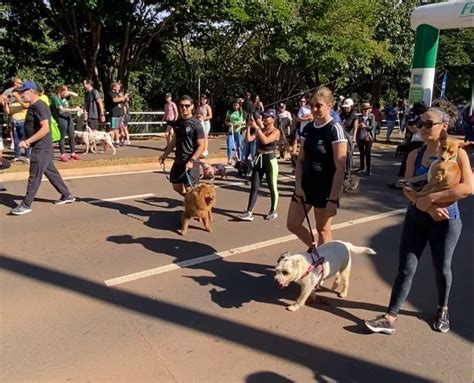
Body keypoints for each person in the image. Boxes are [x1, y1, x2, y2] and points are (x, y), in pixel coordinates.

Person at [364, 106, 473, 335]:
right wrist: (421, 204)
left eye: (428, 123)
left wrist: (431, 200)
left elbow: (467, 188)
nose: (422, 128)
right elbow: (406, 185)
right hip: (416, 217)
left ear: (444, 126)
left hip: (446, 220)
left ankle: (442, 308)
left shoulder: (457, 153)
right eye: (420, 123)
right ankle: (390, 316)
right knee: (405, 268)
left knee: (441, 267)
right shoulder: (415, 154)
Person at [287, 86, 347, 247]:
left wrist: (333, 199)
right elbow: (300, 161)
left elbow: (340, 167)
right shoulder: (308, 128)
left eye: (318, 105)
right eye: (312, 105)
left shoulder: (335, 129)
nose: (313, 109)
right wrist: (298, 186)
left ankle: (327, 265)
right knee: (292, 223)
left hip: (325, 189)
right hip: (306, 186)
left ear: (329, 105)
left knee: (322, 230)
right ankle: (316, 252)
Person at [10, 80, 75, 215]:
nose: (21, 94)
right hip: (43, 146)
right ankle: (67, 195)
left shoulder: (39, 106)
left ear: (31, 91)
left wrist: (28, 142)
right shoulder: (35, 105)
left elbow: (45, 128)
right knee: (51, 172)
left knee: (34, 176)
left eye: (23, 92)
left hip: (41, 147)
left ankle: (26, 204)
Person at [237, 109, 280, 221]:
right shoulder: (261, 129)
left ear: (273, 119)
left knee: (272, 186)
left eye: (267, 117)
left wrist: (256, 128)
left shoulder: (276, 131)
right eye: (264, 117)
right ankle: (249, 211)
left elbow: (266, 141)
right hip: (259, 159)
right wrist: (248, 127)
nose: (264, 119)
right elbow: (249, 139)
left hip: (270, 160)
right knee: (254, 186)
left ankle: (273, 210)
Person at [159, 95, 205, 196]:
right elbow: (174, 141)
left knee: (190, 189)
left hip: (191, 161)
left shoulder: (196, 124)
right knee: (176, 186)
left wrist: (192, 161)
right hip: (179, 160)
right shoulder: (178, 123)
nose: (184, 108)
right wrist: (164, 155)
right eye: (181, 106)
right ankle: (192, 201)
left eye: (187, 106)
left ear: (192, 107)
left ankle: (196, 207)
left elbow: (201, 146)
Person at [51, 84, 81, 161]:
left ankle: (73, 153)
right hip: (61, 118)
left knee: (71, 135)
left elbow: (76, 95)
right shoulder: (55, 98)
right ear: (60, 91)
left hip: (68, 117)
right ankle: (63, 154)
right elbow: (61, 109)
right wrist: (74, 110)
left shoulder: (65, 97)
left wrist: (69, 92)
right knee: (62, 136)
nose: (65, 95)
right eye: (64, 92)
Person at [3, 88, 30, 163]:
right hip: (14, 123)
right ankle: (17, 156)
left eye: (15, 94)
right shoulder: (12, 101)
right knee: (16, 140)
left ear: (19, 94)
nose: (13, 96)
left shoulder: (24, 99)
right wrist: (6, 104)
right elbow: (8, 112)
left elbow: (26, 106)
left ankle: (27, 157)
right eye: (13, 94)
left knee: (26, 140)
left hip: (23, 122)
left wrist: (18, 98)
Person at [353, 102, 376, 175]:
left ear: (369, 110)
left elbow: (372, 127)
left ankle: (368, 169)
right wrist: (359, 126)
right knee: (361, 153)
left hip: (368, 137)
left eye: (367, 109)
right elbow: (355, 127)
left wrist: (365, 126)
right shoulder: (359, 117)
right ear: (362, 110)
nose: (366, 111)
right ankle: (362, 167)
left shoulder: (372, 117)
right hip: (360, 137)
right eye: (364, 109)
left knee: (368, 153)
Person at [225, 100, 245, 165]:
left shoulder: (241, 112)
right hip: (231, 131)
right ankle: (229, 160)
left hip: (239, 131)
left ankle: (240, 159)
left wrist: (241, 124)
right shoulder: (229, 112)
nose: (235, 106)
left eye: (237, 105)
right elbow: (226, 121)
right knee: (229, 146)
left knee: (239, 146)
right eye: (234, 105)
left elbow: (243, 121)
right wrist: (229, 124)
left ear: (239, 106)